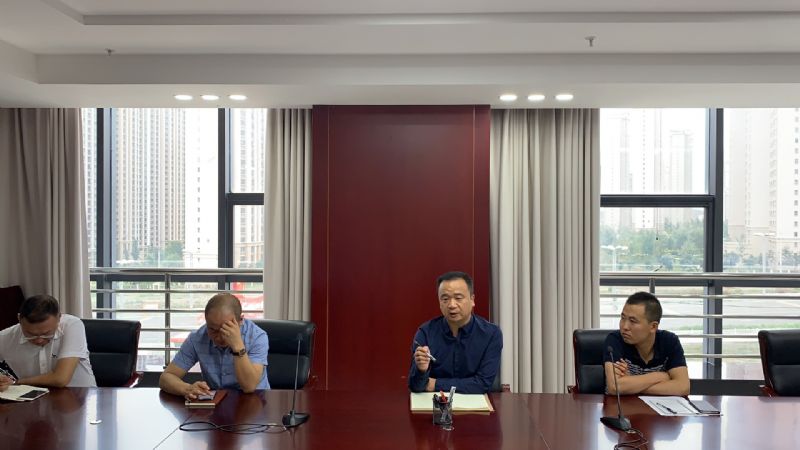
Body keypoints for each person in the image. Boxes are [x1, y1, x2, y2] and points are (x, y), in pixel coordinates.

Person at [159, 293, 269, 400]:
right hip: (216, 401)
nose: (219, 337)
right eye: (212, 329)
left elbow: (249, 387)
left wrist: (237, 346)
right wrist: (187, 389)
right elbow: (166, 377)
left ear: (240, 321)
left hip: (254, 401)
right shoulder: (197, 338)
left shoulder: (257, 337)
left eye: (225, 329)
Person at [408, 271, 503, 394]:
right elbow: (415, 386)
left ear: (472, 300)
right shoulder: (426, 332)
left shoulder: (491, 334)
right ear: (439, 302)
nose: (452, 305)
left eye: (458, 298)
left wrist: (435, 384)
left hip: (475, 404)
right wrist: (421, 371)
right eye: (445, 299)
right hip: (436, 403)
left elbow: (483, 384)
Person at [0, 294, 97, 391]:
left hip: (81, 395)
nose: (39, 340)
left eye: (46, 333)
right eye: (30, 334)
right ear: (19, 319)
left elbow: (60, 379)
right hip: (31, 397)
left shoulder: (72, 325)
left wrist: (17, 382)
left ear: (59, 317)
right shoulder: (4, 337)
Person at [604, 291, 690, 396]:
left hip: (658, 406)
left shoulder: (669, 341)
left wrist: (631, 384)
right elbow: (615, 387)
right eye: (623, 318)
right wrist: (659, 376)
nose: (625, 326)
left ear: (653, 327)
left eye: (633, 321)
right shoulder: (615, 340)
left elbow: (683, 387)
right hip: (620, 405)